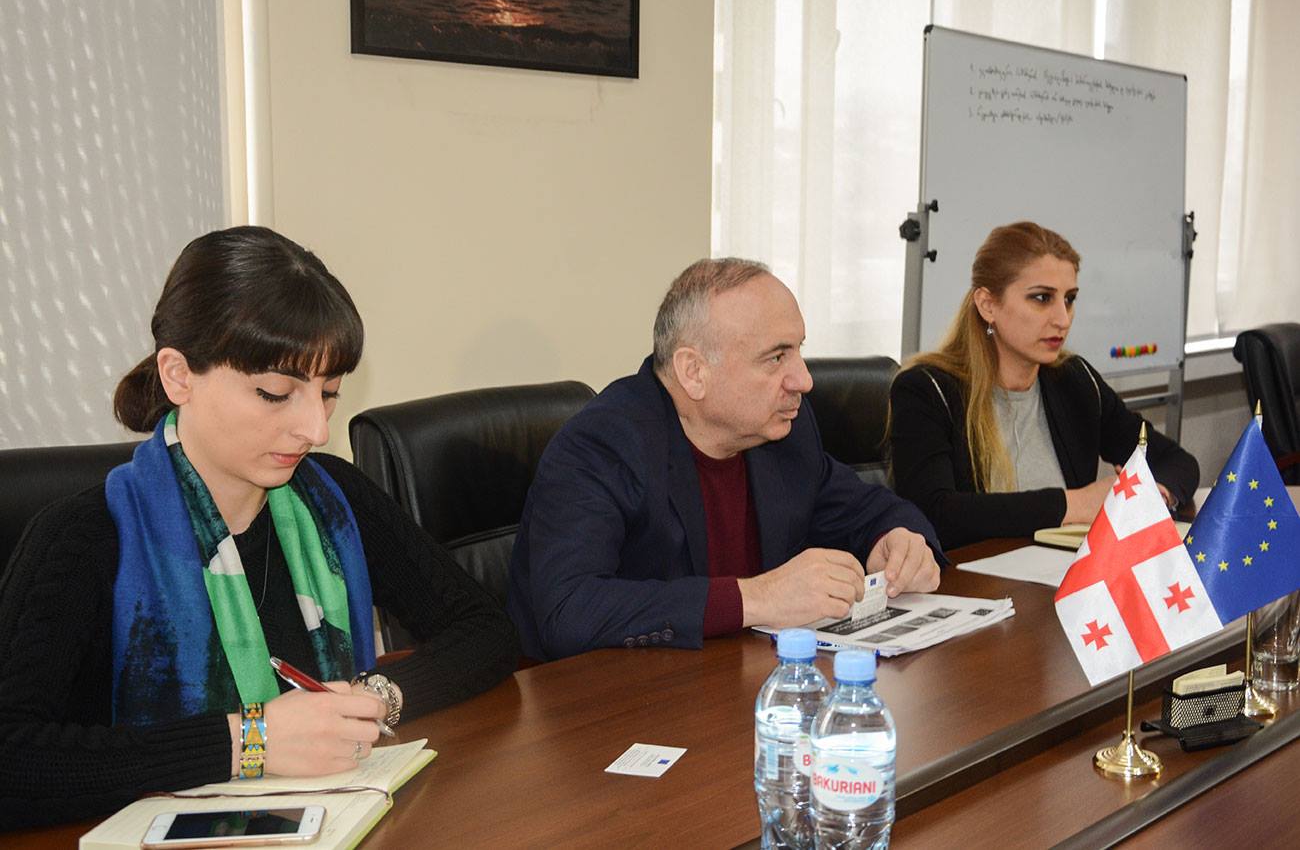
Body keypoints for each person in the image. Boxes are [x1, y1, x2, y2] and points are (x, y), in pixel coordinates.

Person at [0, 226, 518, 829]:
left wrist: (376, 698)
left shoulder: (333, 499)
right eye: (275, 394)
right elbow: (12, 760)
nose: (316, 429)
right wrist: (251, 741)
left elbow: (485, 630)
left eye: (328, 393)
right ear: (178, 375)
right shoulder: (82, 538)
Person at [507, 258, 944, 662]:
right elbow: (568, 612)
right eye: (776, 357)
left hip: (736, 679)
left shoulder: (784, 433)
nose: (804, 380)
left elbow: (867, 509)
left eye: (799, 350)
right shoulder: (603, 445)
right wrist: (757, 598)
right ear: (693, 372)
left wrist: (898, 540)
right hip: (613, 701)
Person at [888, 221, 1199, 550]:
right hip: (971, 577)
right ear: (987, 304)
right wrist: (1073, 504)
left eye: (1069, 299)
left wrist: (1155, 494)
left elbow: (1175, 461)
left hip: (1064, 573)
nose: (1062, 319)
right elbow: (936, 513)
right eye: (1041, 298)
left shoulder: (1074, 380)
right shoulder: (926, 390)